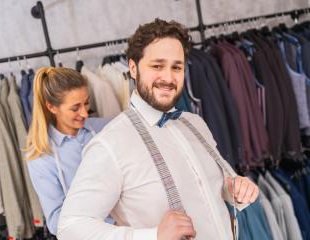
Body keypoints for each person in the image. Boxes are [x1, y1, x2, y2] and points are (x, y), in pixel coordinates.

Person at [57, 19, 259, 240]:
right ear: (133, 68)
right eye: (157, 66)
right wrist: (153, 236)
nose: (168, 77)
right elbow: (70, 227)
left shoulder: (195, 123)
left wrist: (236, 189)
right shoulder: (110, 145)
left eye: (177, 67)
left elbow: (214, 189)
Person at [25, 67, 111, 235]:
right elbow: (56, 222)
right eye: (75, 108)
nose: (85, 113)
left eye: (86, 103)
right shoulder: (41, 157)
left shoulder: (106, 127)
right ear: (52, 107)